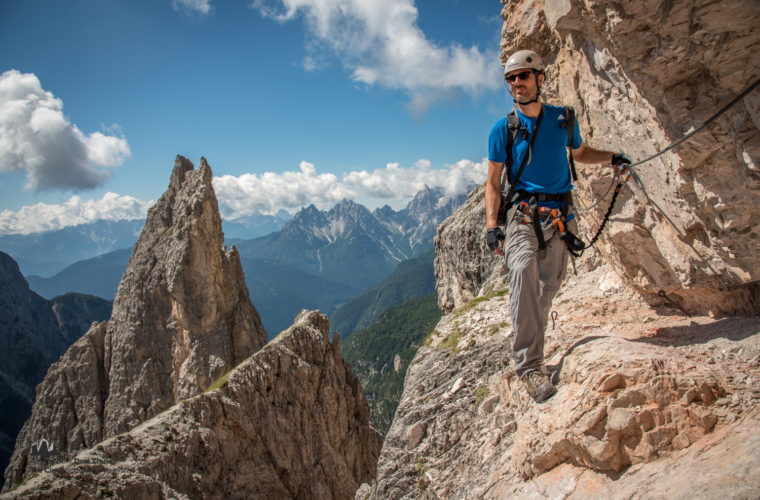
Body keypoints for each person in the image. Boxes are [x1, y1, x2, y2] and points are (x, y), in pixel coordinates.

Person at [485, 49, 631, 403]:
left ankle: (533, 345)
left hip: (561, 217)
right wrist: (493, 225)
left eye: (523, 76)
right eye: (511, 78)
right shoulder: (504, 128)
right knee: (521, 271)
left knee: (546, 289)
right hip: (522, 215)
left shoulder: (564, 119)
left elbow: (578, 153)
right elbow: (493, 181)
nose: (516, 83)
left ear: (539, 79)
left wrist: (612, 158)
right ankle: (529, 366)